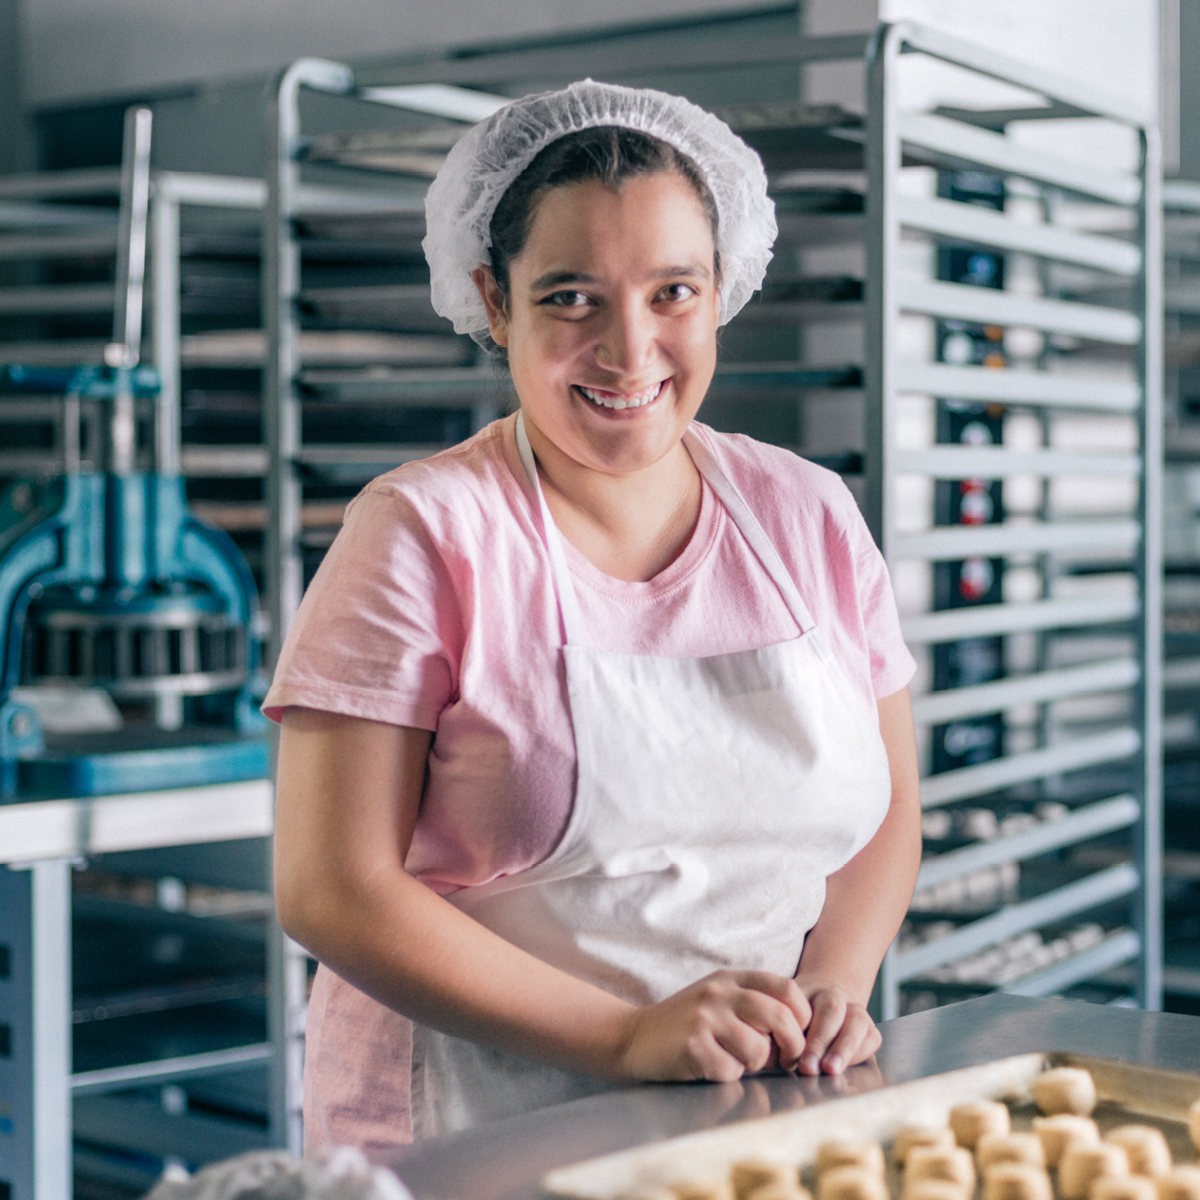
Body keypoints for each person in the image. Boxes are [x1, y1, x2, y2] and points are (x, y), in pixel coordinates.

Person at [265, 78, 922, 1152]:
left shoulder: (805, 513)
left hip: (744, 1115)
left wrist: (836, 983)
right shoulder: (425, 532)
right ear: (494, 301)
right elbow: (332, 890)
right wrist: (626, 1039)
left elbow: (890, 811)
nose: (629, 350)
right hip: (473, 1128)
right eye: (572, 296)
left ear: (722, 293)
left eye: (673, 292)